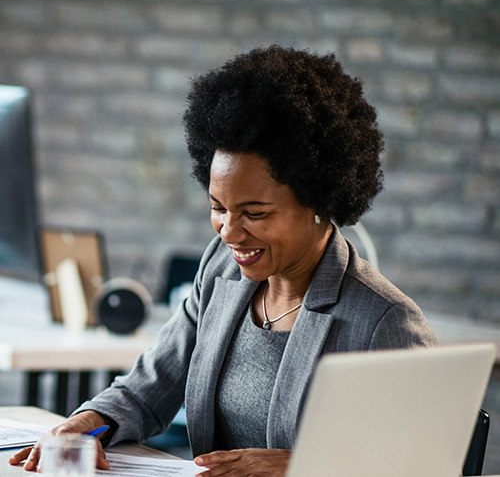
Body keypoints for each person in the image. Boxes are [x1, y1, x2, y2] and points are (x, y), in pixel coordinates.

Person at [10, 45, 437, 477]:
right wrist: (86, 423)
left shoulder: (386, 322)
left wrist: (304, 466)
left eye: (255, 213)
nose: (229, 232)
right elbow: (148, 387)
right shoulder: (222, 269)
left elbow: (426, 465)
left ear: (320, 202)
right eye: (218, 207)